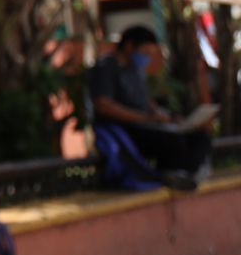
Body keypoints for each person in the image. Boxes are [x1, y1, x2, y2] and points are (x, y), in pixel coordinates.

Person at [88, 25, 212, 188]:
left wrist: (169, 119)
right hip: (124, 129)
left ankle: (188, 175)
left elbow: (147, 103)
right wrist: (145, 118)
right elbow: (104, 106)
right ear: (129, 46)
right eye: (145, 52)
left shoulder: (136, 71)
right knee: (170, 141)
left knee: (200, 137)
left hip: (148, 124)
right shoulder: (105, 68)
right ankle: (168, 175)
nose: (146, 58)